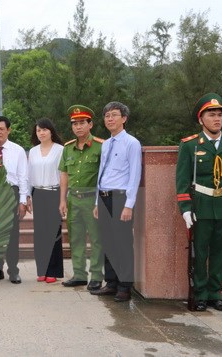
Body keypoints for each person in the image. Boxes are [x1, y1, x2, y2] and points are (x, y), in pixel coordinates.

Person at [176, 93, 222, 312]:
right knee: (201, 252)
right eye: (212, 115)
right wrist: (185, 208)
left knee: (220, 252)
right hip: (201, 205)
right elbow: (182, 180)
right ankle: (200, 294)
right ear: (201, 119)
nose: (217, 119)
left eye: (219, 115)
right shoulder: (190, 145)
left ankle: (215, 293)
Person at [91, 101, 142, 302]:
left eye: (114, 115)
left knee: (122, 243)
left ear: (124, 118)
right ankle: (111, 283)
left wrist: (129, 204)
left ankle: (124, 286)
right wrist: (97, 201)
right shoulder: (106, 144)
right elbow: (101, 175)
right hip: (104, 197)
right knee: (108, 242)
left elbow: (135, 175)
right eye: (107, 116)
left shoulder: (131, 143)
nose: (110, 119)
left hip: (121, 198)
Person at [58, 105, 104, 291]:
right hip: (73, 199)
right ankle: (79, 274)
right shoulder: (68, 148)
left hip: (91, 198)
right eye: (74, 124)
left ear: (90, 124)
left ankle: (96, 276)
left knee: (96, 239)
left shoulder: (101, 146)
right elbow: (64, 174)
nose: (78, 127)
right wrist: (62, 199)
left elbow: (105, 175)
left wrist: (99, 201)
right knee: (75, 238)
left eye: (82, 123)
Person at [0, 116, 28, 284]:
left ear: (8, 130)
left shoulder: (18, 150)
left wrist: (23, 201)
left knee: (12, 234)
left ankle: (13, 271)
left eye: (2, 129)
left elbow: (24, 177)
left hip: (11, 193)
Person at [26, 118, 64, 284]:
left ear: (51, 131)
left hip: (54, 193)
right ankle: (42, 269)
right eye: (38, 130)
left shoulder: (60, 150)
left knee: (53, 233)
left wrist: (64, 198)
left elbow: (64, 175)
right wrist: (28, 196)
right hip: (38, 194)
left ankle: (53, 270)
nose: (41, 133)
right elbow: (28, 176)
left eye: (44, 130)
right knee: (40, 234)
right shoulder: (33, 151)